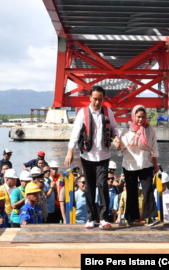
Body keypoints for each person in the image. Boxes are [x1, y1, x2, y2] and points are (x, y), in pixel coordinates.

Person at [65, 85, 120, 229]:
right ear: (90, 98)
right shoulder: (82, 113)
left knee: (102, 185)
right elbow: (75, 132)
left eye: (100, 99)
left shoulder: (108, 112)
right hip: (87, 155)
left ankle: (103, 218)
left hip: (103, 155)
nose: (97, 102)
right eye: (95, 99)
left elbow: (114, 128)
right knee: (89, 186)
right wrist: (70, 150)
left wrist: (117, 138)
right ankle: (91, 218)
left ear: (103, 99)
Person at [115, 104, 159, 227]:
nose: (140, 120)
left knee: (148, 190)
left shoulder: (150, 130)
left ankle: (150, 217)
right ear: (134, 116)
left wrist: (155, 166)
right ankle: (130, 217)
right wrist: (118, 145)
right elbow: (121, 149)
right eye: (138, 117)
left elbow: (154, 149)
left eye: (143, 117)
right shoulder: (127, 130)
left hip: (146, 163)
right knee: (131, 191)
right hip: (130, 165)